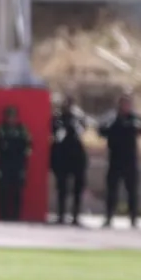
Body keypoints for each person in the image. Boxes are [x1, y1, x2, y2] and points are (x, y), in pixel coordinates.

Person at [98, 95, 141, 228]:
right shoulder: (112, 118)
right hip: (115, 159)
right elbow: (101, 131)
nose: (126, 106)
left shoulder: (135, 119)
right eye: (124, 104)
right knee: (112, 191)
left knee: (132, 191)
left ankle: (133, 218)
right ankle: (109, 217)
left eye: (128, 104)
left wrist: (140, 127)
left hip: (130, 161)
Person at [50, 96, 89, 225]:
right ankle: (60, 214)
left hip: (76, 156)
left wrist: (76, 122)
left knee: (78, 187)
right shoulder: (57, 117)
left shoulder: (78, 117)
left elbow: (83, 129)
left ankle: (75, 216)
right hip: (61, 156)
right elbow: (54, 132)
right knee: (62, 187)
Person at [0, 106, 32, 221]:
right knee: (2, 190)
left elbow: (28, 147)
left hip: (18, 165)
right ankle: (3, 215)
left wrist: (23, 163)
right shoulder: (0, 130)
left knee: (17, 191)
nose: (11, 119)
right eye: (9, 116)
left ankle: (15, 216)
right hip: (3, 165)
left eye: (13, 116)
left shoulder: (22, 130)